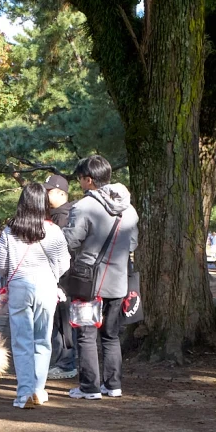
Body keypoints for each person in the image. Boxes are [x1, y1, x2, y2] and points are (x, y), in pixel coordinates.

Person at [63, 154, 138, 400]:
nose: (80, 184)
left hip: (88, 281)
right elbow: (133, 243)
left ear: (89, 180)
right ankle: (113, 384)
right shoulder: (129, 210)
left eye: (80, 179)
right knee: (111, 335)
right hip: (119, 280)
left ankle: (89, 387)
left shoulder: (83, 207)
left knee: (86, 334)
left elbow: (70, 241)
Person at [0, 182, 70, 408]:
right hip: (46, 287)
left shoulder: (10, 231)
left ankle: (24, 392)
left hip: (19, 287)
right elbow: (64, 263)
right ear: (43, 204)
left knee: (21, 341)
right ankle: (38, 389)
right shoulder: (53, 231)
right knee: (43, 340)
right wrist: (52, 275)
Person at [44, 173, 77, 379]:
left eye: (48, 191)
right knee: (59, 320)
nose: (45, 195)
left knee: (65, 321)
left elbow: (64, 249)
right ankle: (63, 360)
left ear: (60, 192)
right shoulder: (56, 214)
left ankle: (67, 363)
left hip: (65, 278)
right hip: (59, 277)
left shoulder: (65, 216)